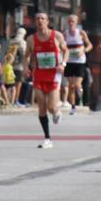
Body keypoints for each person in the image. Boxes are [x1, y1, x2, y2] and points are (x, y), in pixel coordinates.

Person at [25, 12, 69, 149]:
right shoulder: (31, 39)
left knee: (51, 107)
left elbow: (66, 51)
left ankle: (56, 112)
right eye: (37, 18)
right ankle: (47, 139)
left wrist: (63, 64)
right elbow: (26, 56)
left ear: (47, 21)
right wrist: (26, 68)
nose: (40, 21)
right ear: (35, 22)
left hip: (54, 75)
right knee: (42, 107)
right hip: (39, 74)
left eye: (42, 18)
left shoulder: (57, 35)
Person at [62, 15, 93, 115]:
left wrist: (83, 50)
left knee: (77, 85)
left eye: (73, 21)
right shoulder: (65, 34)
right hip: (69, 62)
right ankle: (73, 107)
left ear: (76, 22)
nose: (71, 23)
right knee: (71, 86)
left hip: (80, 62)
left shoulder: (81, 33)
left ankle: (80, 97)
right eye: (69, 21)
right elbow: (61, 46)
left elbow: (90, 45)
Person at [8, 27, 28, 106]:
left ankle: (9, 100)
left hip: (10, 65)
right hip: (19, 66)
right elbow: (25, 54)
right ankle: (16, 100)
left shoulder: (11, 41)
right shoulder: (23, 42)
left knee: (10, 83)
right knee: (18, 84)